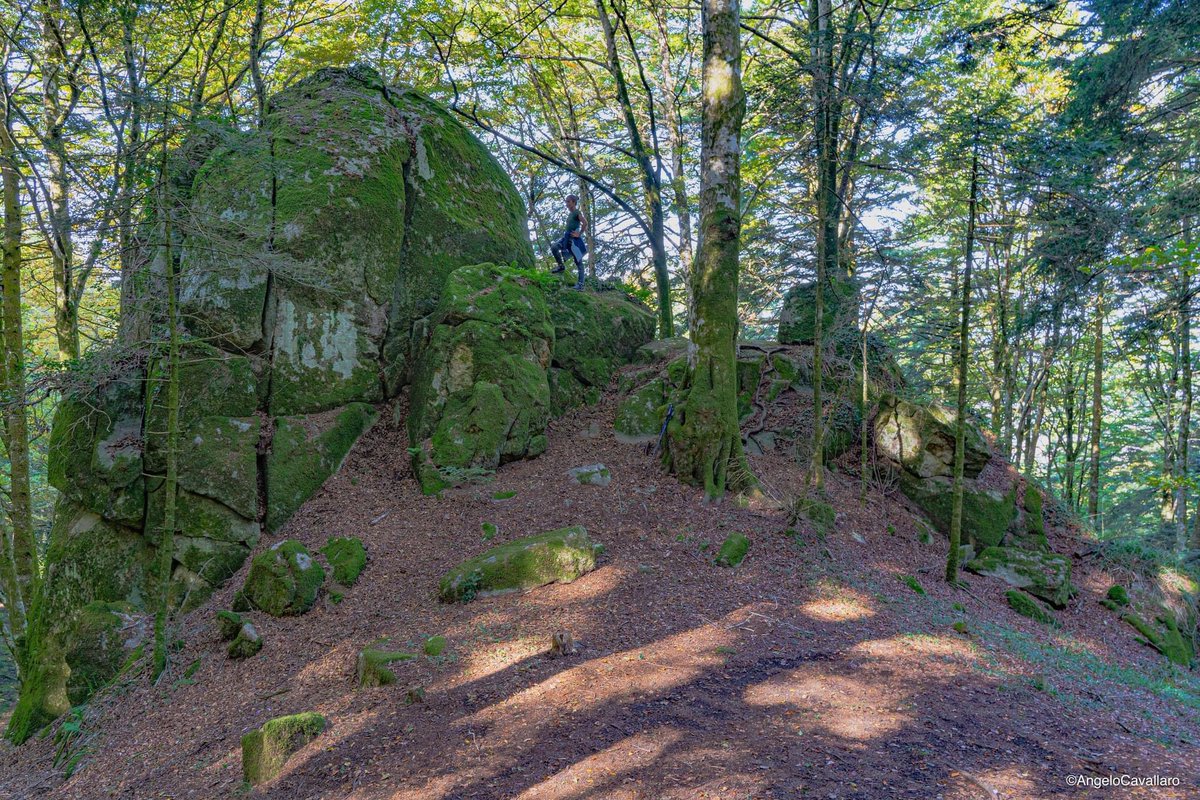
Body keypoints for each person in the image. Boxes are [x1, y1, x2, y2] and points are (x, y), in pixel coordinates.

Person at [550, 194, 588, 290]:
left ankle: (580, 285)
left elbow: (585, 222)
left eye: (568, 201)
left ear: (574, 203)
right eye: (566, 201)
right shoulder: (571, 214)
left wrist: (579, 233)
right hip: (566, 239)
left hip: (573, 241)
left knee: (578, 261)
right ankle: (561, 266)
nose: (566, 203)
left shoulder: (576, 212)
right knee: (554, 247)